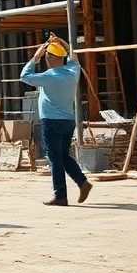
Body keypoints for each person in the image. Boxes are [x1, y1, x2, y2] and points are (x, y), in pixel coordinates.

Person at [20, 34, 91, 206]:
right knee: (64, 155)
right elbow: (74, 58)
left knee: (55, 158)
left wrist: (35, 57)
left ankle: (60, 195)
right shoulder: (72, 72)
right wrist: (63, 43)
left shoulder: (48, 76)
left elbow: (24, 76)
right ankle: (82, 182)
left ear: (49, 58)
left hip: (51, 121)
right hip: (68, 120)